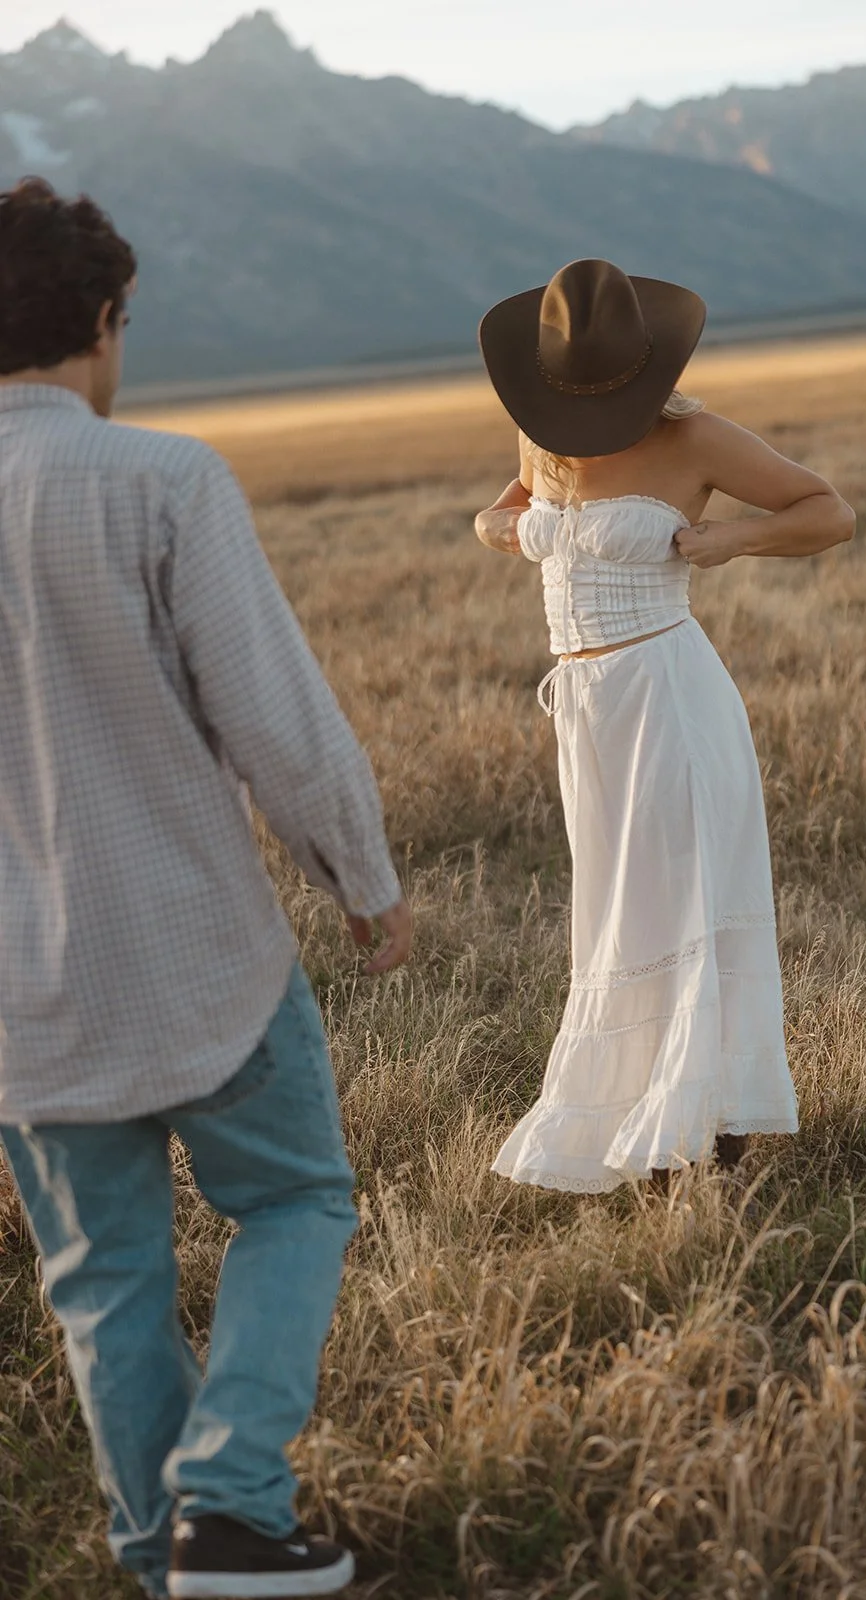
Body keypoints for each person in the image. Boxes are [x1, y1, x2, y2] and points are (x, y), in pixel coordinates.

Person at [0, 178, 412, 1598]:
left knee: (101, 1283)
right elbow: (278, 724)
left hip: (17, 1001)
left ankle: (158, 1555)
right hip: (196, 953)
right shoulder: (161, 478)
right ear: (104, 324)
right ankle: (229, 1505)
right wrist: (360, 874)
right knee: (295, 1201)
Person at [476, 258, 853, 1194]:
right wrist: (500, 528)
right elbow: (506, 514)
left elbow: (828, 511)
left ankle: (699, 1123)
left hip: (669, 697)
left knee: (684, 901)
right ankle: (637, 1111)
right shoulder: (544, 439)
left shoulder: (698, 440)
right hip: (588, 714)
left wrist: (729, 539)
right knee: (615, 909)